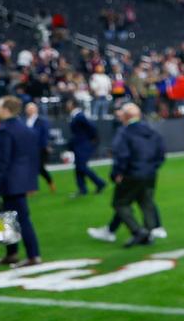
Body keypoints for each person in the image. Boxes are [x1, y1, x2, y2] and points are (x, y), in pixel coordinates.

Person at [0, 96, 42, 267]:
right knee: (10, 218)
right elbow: (33, 158)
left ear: (6, 110)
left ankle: (33, 256)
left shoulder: (5, 130)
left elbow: (3, 160)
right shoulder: (25, 128)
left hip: (10, 182)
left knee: (20, 219)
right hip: (22, 181)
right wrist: (32, 183)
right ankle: (12, 253)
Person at [108, 103, 166, 248]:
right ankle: (148, 233)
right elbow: (161, 152)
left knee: (120, 203)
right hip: (149, 173)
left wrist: (117, 173)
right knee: (146, 203)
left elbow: (121, 154)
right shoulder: (151, 130)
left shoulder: (125, 132)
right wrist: (153, 167)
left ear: (126, 116)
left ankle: (138, 231)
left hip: (132, 173)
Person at [68, 102, 107, 196]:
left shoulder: (79, 116)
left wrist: (93, 139)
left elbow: (91, 127)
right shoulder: (76, 116)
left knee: (81, 166)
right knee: (78, 167)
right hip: (79, 145)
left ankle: (100, 183)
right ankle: (82, 189)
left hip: (83, 145)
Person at [23, 102, 56, 193]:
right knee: (30, 168)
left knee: (39, 167)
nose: (30, 110)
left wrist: (45, 146)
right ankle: (32, 188)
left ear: (36, 109)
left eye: (32, 108)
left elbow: (45, 134)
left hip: (39, 148)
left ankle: (50, 182)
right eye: (28, 109)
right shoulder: (24, 121)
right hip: (28, 148)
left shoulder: (42, 120)